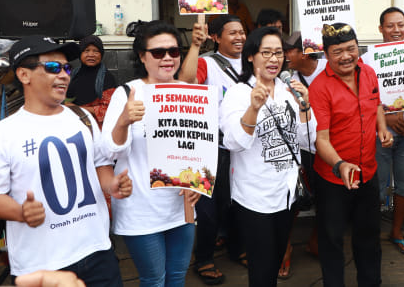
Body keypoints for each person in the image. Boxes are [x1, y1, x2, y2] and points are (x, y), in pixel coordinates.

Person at [0, 35, 131, 284]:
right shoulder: (2, 134)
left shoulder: (82, 117)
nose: (64, 75)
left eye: (67, 68)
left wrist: (113, 186)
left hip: (97, 250)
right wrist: (21, 212)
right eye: (53, 67)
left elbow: (100, 166)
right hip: (41, 263)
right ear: (24, 75)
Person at [101, 21, 201, 286]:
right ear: (142, 57)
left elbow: (198, 146)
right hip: (141, 211)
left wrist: (198, 183)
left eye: (174, 51)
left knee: (177, 277)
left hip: (182, 208)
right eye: (158, 52)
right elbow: (109, 150)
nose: (167, 57)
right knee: (154, 279)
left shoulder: (190, 93)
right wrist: (123, 121)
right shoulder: (126, 94)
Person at [219, 26, 317, 286]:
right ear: (251, 55)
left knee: (274, 263)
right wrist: (253, 108)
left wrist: (305, 106)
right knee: (261, 269)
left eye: (279, 53)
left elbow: (309, 140)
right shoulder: (238, 93)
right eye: (266, 53)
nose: (274, 60)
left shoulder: (288, 90)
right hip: (254, 198)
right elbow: (233, 143)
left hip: (285, 194)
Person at [309, 22, 393, 287]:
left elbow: (376, 104)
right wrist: (340, 164)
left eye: (351, 49)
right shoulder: (319, 87)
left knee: (369, 237)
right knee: (332, 240)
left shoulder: (369, 73)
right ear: (326, 54)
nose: (346, 56)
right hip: (332, 179)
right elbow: (320, 139)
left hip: (368, 172)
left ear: (359, 49)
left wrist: (383, 128)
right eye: (338, 51)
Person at [361, 7, 404, 255]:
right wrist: (387, 118)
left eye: (401, 25)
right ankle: (370, 234)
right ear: (380, 29)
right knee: (375, 187)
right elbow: (364, 98)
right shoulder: (366, 60)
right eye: (390, 26)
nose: (396, 30)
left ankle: (396, 232)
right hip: (379, 135)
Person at [191, 15, 247, 283]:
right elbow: (187, 83)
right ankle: (203, 259)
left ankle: (238, 249)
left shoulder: (252, 61)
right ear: (215, 37)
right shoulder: (206, 64)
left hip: (245, 145)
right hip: (213, 145)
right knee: (209, 208)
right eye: (232, 33)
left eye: (242, 32)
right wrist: (194, 46)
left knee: (238, 202)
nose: (240, 37)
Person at [277, 30, 328, 277]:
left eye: (289, 50)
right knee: (293, 202)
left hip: (329, 147)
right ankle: (284, 250)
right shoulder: (286, 79)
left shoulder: (330, 68)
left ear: (305, 52)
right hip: (302, 149)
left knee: (328, 201)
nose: (284, 55)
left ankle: (315, 243)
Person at [66, 35, 118, 128]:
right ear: (80, 54)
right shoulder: (72, 74)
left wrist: (77, 109)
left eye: (96, 51)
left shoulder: (107, 78)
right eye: (86, 51)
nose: (91, 54)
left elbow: (108, 109)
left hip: (96, 127)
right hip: (72, 124)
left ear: (101, 54)